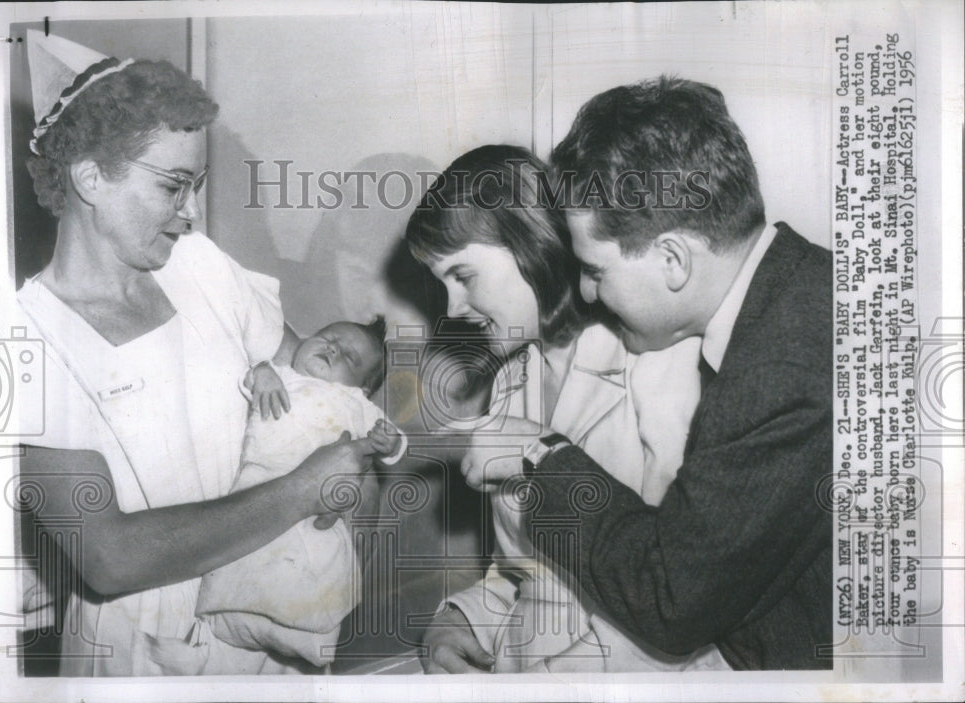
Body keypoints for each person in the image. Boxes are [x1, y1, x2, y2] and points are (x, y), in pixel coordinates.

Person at [15, 39, 374, 676]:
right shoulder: (26, 337)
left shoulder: (203, 267)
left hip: (265, 626)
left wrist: (349, 484)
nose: (191, 213)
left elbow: (319, 396)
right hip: (135, 658)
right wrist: (300, 490)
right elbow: (110, 556)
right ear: (90, 176)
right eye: (173, 187)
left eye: (197, 186)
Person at [469, 77, 832, 670]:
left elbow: (672, 600)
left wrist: (540, 454)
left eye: (595, 270)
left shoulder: (778, 373)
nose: (585, 291)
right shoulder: (798, 287)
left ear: (672, 259)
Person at [406, 145, 728, 673]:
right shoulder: (511, 376)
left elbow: (681, 601)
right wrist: (457, 622)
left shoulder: (658, 363)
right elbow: (524, 574)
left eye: (463, 277)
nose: (451, 310)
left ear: (531, 242)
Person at [196, 319, 406, 667]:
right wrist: (262, 373)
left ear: (364, 387)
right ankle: (226, 618)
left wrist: (391, 440)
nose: (332, 349)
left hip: (320, 506)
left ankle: (309, 635)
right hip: (261, 484)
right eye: (327, 338)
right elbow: (248, 377)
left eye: (348, 358)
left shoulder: (357, 403)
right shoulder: (283, 376)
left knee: (321, 565)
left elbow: (397, 446)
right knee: (240, 554)